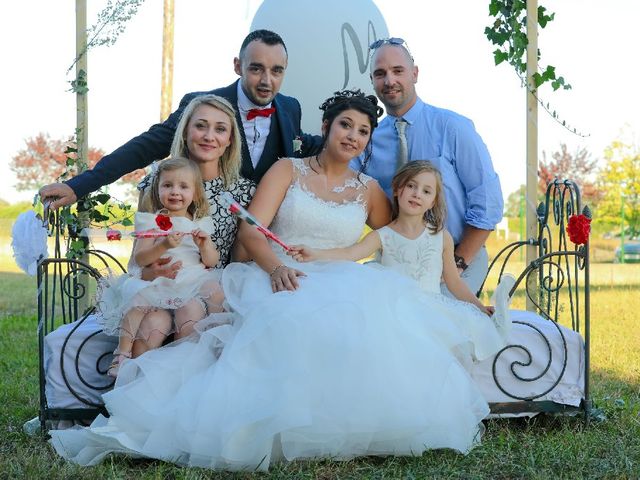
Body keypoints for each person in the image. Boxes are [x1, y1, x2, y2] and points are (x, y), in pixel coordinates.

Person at [49, 90, 495, 470]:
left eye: (362, 131)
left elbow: (393, 237)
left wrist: (432, 265)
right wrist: (276, 267)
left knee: (361, 330)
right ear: (327, 125)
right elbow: (250, 230)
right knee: (287, 323)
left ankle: (340, 424)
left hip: (340, 279)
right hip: (275, 272)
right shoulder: (287, 169)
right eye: (345, 125)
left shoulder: (370, 191)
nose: (352, 136)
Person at [39, 94, 254, 418]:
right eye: (201, 126)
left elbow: (234, 255)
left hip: (201, 283)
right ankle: (133, 407)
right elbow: (140, 251)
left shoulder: (242, 191)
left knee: (192, 318)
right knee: (152, 324)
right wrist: (150, 273)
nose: (209, 136)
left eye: (220, 129)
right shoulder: (157, 183)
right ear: (185, 132)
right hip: (158, 285)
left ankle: (186, 406)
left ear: (229, 141)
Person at [39, 29, 321, 211]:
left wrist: (357, 133)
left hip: (257, 241)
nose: (267, 81)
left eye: (276, 71)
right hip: (203, 230)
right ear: (238, 66)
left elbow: (306, 146)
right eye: (256, 69)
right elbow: (145, 146)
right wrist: (79, 186)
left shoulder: (290, 108)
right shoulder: (201, 106)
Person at [288, 160, 512, 362]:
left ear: (433, 201)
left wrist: (479, 307)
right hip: (394, 313)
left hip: (431, 309)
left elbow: (454, 282)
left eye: (426, 191)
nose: (417, 194)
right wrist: (315, 253)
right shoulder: (382, 235)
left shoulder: (441, 237)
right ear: (397, 189)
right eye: (411, 186)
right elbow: (350, 253)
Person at [351, 37, 504, 294]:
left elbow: (488, 201)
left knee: (432, 327)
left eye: (398, 71)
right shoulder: (368, 140)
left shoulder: (453, 128)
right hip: (397, 263)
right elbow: (343, 182)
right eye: (380, 74)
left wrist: (457, 262)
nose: (389, 81)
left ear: (415, 73)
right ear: (373, 82)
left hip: (456, 258)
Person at [98, 157, 226, 377]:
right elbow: (141, 258)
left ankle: (209, 346)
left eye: (183, 186)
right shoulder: (151, 221)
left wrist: (204, 246)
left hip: (190, 280)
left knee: (214, 292)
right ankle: (122, 355)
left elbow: (211, 261)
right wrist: (164, 244)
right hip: (160, 281)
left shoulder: (200, 224)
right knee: (137, 301)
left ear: (195, 193)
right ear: (157, 190)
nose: (175, 191)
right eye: (168, 185)